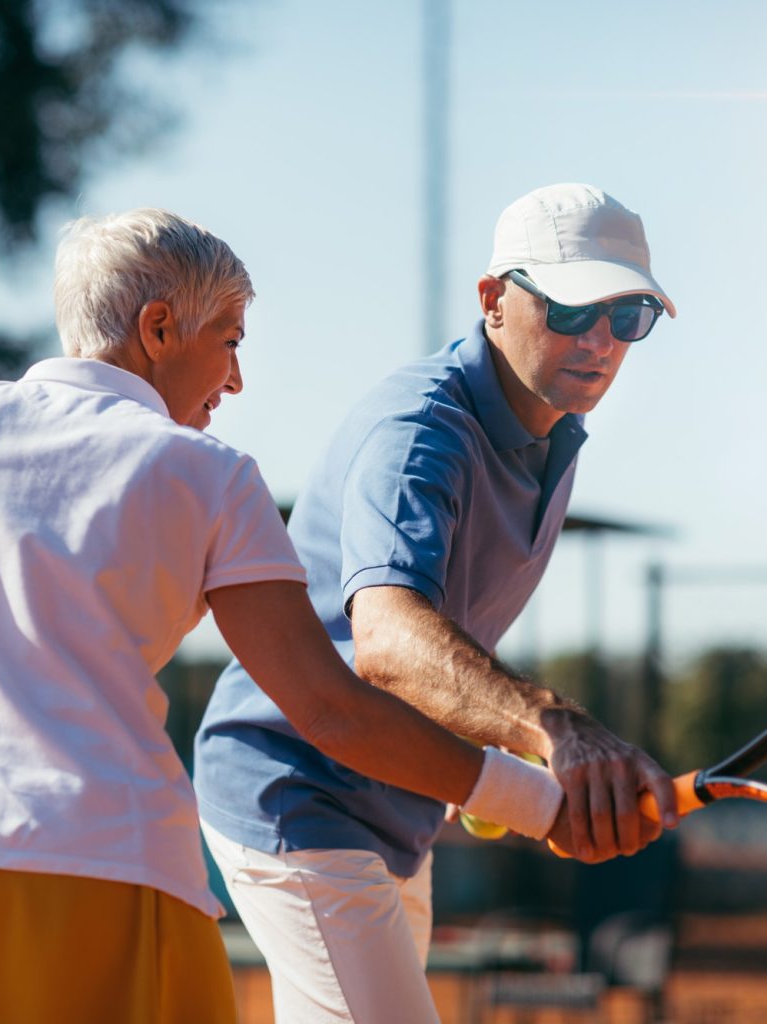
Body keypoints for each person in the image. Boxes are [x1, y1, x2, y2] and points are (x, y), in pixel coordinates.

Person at [0, 208, 592, 1024]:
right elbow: (330, 709)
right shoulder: (209, 473)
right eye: (230, 339)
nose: (236, 379)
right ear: (157, 328)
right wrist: (540, 802)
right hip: (114, 865)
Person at [194, 182, 680, 1024]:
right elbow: (386, 638)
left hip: (398, 801)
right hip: (295, 790)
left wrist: (482, 735)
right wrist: (553, 726)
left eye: (627, 316)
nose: (600, 341)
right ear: (493, 299)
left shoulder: (552, 432)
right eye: (570, 310)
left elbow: (441, 645)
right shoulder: (421, 430)